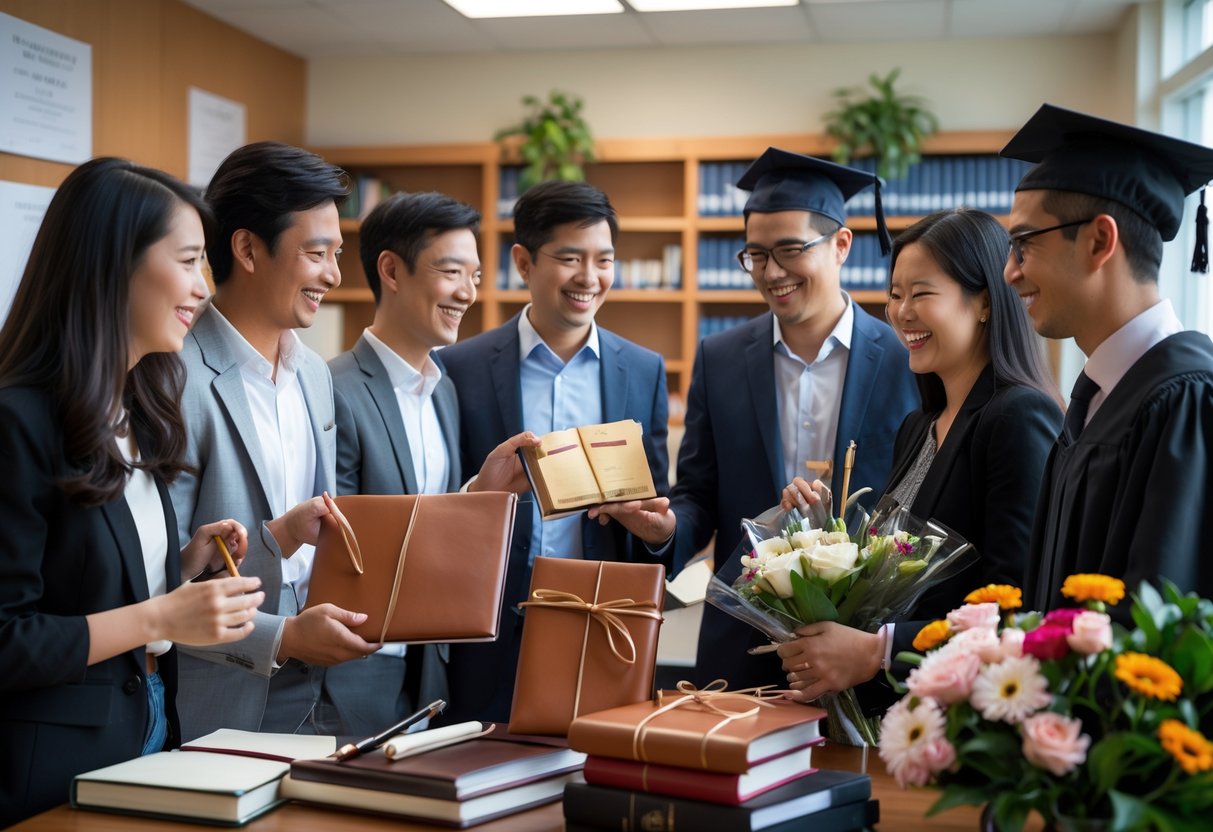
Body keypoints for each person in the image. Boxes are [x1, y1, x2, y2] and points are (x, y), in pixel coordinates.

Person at [0, 158, 265, 825]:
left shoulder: (136, 409)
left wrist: (178, 572)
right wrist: (161, 618)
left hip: (146, 725)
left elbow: (85, 585)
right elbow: (7, 639)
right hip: (47, 765)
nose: (203, 288)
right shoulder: (17, 421)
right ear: (112, 264)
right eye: (188, 261)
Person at [600, 148, 920, 691]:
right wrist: (668, 529)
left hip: (863, 642)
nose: (772, 272)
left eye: (790, 250)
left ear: (841, 245)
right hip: (741, 637)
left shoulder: (903, 357)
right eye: (755, 255)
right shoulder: (721, 357)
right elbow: (699, 493)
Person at [776, 208, 1063, 705]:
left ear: (985, 303)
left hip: (960, 715)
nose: (902, 312)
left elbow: (1016, 606)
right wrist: (824, 536)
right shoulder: (920, 426)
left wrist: (881, 650)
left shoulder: (1016, 417)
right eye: (895, 294)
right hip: (896, 709)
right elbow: (897, 567)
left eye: (922, 293)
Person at [438, 179, 671, 723]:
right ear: (523, 261)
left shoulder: (642, 371)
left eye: (604, 259)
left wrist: (661, 534)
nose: (589, 278)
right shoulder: (461, 368)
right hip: (489, 628)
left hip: (602, 625)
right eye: (570, 258)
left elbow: (655, 506)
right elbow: (440, 501)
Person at [169, 141, 378, 741]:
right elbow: (159, 576)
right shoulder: (174, 375)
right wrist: (281, 637)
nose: (334, 275)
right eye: (316, 253)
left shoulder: (315, 372)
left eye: (337, 254)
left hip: (322, 681)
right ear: (247, 248)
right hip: (219, 694)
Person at [328, 190, 538, 725]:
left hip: (433, 670)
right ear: (392, 271)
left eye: (476, 276)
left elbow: (430, 515)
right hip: (357, 670)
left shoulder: (444, 389)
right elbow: (342, 547)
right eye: (452, 273)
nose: (467, 293)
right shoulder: (335, 389)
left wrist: (479, 497)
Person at [1000, 104, 1213, 612]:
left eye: (1023, 245)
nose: (1010, 272)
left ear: (1099, 241)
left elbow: (1162, 627)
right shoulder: (1097, 397)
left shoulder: (1185, 398)